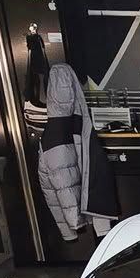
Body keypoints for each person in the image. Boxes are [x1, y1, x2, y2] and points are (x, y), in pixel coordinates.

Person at [37, 62, 118, 241]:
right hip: (91, 216)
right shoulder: (75, 123)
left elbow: (53, 191)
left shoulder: (52, 134)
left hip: (80, 217)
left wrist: (70, 231)